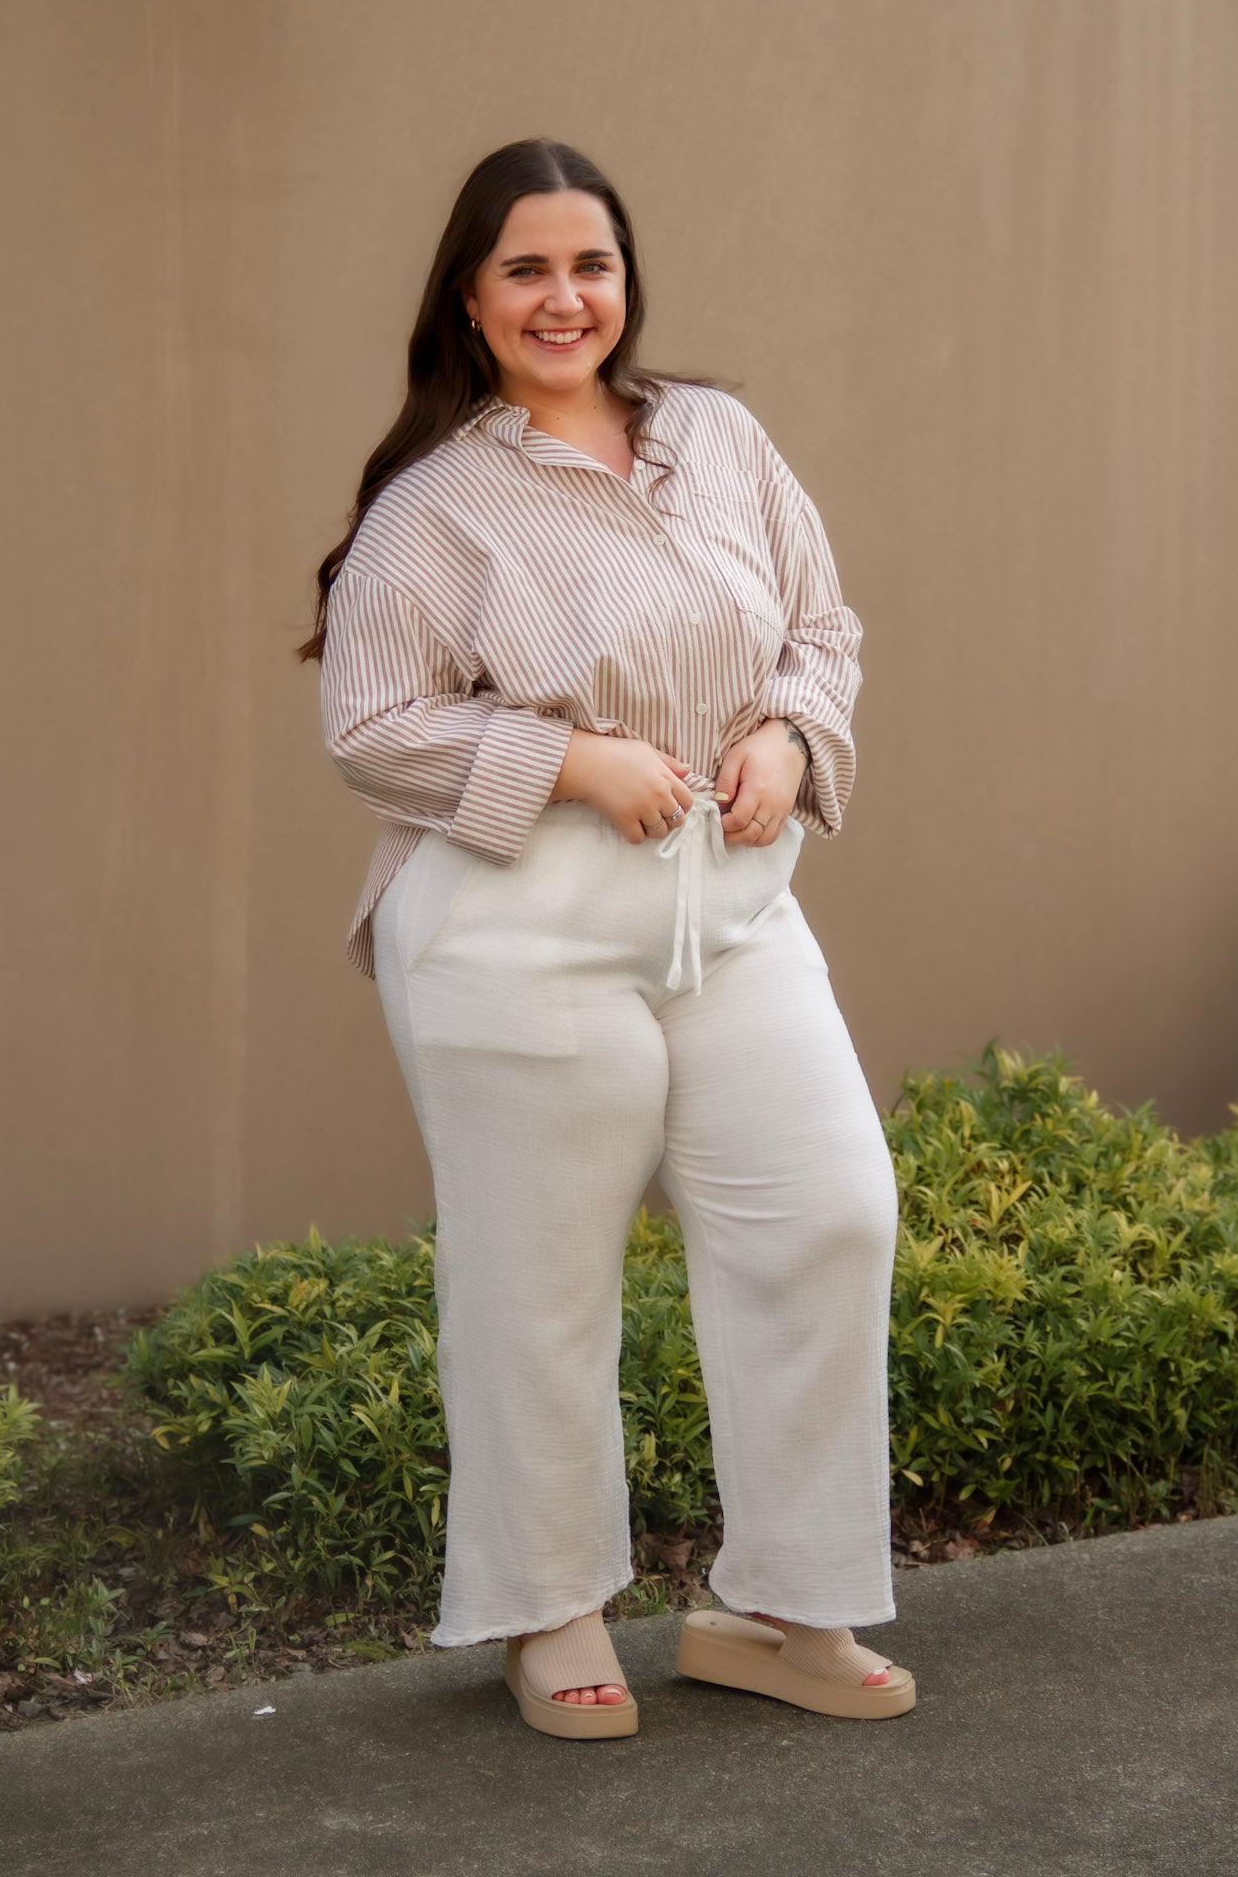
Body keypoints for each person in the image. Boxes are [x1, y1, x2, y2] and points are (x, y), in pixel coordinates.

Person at [299, 138, 913, 1740]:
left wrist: (786, 733)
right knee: (540, 1280)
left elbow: (821, 626)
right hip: (516, 935)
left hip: (736, 917)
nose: (565, 298)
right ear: (469, 296)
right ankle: (547, 1604)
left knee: (830, 1210)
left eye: (591, 264)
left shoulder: (716, 434)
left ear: (623, 282)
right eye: (526, 270)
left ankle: (780, 1606)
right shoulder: (437, 506)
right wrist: (567, 760)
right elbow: (365, 724)